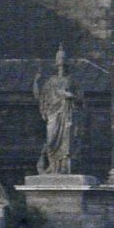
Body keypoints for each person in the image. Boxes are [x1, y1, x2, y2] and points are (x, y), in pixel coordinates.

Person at [34, 46, 81, 177]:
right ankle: (52, 167)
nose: (61, 63)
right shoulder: (50, 81)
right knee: (51, 140)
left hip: (67, 113)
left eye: (63, 59)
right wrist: (36, 82)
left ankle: (64, 168)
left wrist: (70, 95)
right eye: (59, 59)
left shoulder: (72, 80)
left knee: (67, 140)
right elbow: (41, 97)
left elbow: (81, 99)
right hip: (53, 114)